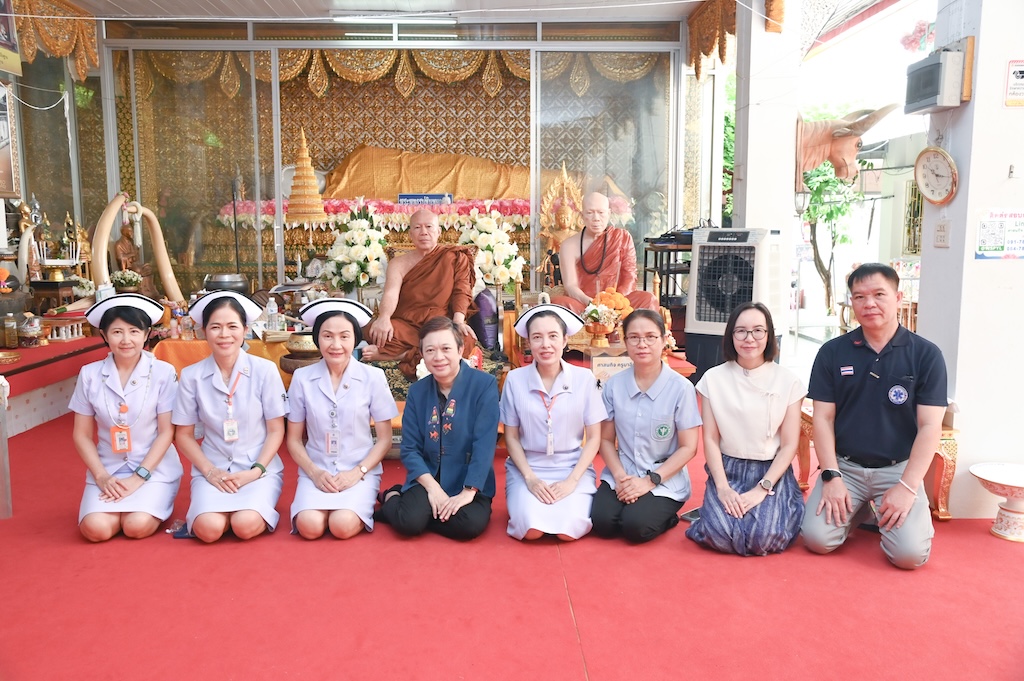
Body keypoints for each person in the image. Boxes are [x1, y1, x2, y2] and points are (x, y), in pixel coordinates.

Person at [801, 263, 947, 569]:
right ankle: (864, 511)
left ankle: (904, 516)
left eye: (879, 294)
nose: (869, 304)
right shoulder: (833, 352)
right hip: (846, 467)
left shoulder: (926, 355)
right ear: (851, 302)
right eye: (859, 297)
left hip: (898, 470)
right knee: (817, 540)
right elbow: (823, 419)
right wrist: (831, 475)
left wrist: (908, 488)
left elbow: (931, 426)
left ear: (898, 297)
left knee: (909, 557)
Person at [684, 302, 806, 555]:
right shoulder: (713, 379)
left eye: (758, 331)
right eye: (741, 331)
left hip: (770, 470)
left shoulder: (788, 381)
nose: (749, 338)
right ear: (731, 336)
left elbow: (790, 445)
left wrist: (763, 488)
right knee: (719, 534)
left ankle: (787, 506)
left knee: (764, 537)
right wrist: (723, 487)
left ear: (769, 335)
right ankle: (713, 512)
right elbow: (710, 439)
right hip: (728, 468)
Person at [172, 291, 288, 542]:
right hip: (212, 470)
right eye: (215, 327)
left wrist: (255, 471)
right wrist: (210, 471)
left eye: (232, 326)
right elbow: (183, 435)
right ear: (204, 331)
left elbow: (277, 430)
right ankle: (222, 511)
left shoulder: (264, 370)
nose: (224, 335)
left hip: (258, 468)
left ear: (245, 330)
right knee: (208, 529)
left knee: (245, 525)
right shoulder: (191, 376)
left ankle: (256, 504)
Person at [69, 294, 182, 541]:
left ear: (147, 333)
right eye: (117, 332)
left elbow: (167, 432)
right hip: (107, 469)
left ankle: (158, 498)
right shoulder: (89, 374)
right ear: (104, 335)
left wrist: (139, 476)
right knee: (95, 530)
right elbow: (81, 434)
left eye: (134, 331)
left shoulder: (163, 372)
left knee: (136, 526)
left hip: (153, 469)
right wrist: (101, 475)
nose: (126, 340)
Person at [377, 316, 499, 540]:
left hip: (467, 480)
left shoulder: (484, 385)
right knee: (409, 523)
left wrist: (468, 492)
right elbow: (410, 449)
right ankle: (393, 496)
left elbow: (484, 445)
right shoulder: (417, 391)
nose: (438, 357)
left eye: (446, 348)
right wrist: (433, 489)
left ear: (460, 348)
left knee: (469, 525)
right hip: (428, 477)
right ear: (422, 354)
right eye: (430, 350)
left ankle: (422, 513)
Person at [286, 299, 398, 539]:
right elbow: (293, 440)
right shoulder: (302, 378)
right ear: (317, 339)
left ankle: (362, 500)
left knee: (342, 525)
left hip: (359, 471)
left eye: (344, 336)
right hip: (316, 471)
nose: (336, 345)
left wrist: (358, 472)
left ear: (355, 339)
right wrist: (314, 473)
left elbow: (384, 440)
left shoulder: (373, 377)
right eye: (327, 336)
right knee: (309, 526)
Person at [593, 309, 701, 543]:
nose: (642, 344)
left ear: (664, 340)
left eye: (651, 337)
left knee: (635, 527)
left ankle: (668, 516)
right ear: (625, 342)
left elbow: (689, 448)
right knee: (602, 523)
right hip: (624, 472)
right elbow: (605, 439)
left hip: (663, 477)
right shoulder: (614, 386)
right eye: (634, 337)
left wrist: (649, 481)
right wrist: (621, 478)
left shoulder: (681, 389)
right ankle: (633, 500)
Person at [501, 304, 606, 541]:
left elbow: (595, 437)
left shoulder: (584, 379)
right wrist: (530, 478)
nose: (545, 344)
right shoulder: (515, 380)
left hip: (572, 466)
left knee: (569, 530)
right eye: (537, 337)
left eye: (552, 336)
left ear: (565, 339)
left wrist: (571, 481)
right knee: (530, 530)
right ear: (528, 343)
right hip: (527, 467)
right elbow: (511, 437)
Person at [362, 209, 478, 379]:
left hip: (441, 323)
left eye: (429, 227)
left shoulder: (454, 257)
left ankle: (401, 355)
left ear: (438, 232)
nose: (424, 232)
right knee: (375, 331)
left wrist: (458, 322)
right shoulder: (398, 263)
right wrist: (384, 318)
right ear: (410, 234)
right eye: (417, 227)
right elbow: (391, 292)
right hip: (408, 323)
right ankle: (424, 351)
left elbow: (462, 290)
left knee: (464, 339)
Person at [552, 192, 657, 314]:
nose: (596, 218)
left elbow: (629, 277)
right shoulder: (569, 245)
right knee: (558, 304)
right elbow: (571, 286)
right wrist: (591, 303)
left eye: (601, 213)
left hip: (617, 301)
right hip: (584, 304)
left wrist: (615, 302)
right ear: (581, 215)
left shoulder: (622, 237)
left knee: (648, 299)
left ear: (609, 214)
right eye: (590, 213)